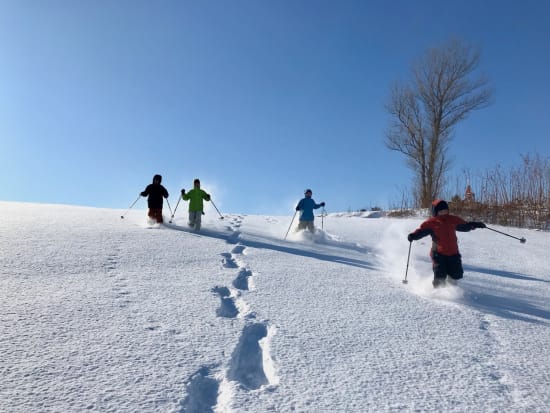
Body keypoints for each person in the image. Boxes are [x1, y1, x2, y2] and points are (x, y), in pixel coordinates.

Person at [407, 199, 486, 288]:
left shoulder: (453, 219)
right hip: (438, 254)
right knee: (440, 275)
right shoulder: (431, 223)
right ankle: (437, 291)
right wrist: (414, 235)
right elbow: (422, 231)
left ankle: (451, 289)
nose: (444, 213)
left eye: (445, 210)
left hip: (453, 253)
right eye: (441, 211)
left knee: (456, 274)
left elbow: (464, 226)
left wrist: (475, 224)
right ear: (435, 212)